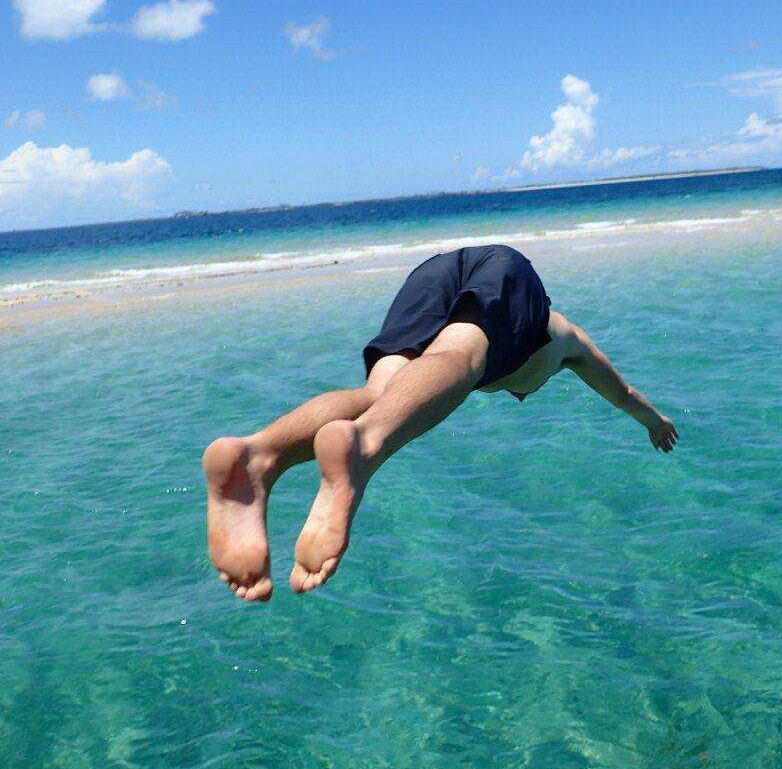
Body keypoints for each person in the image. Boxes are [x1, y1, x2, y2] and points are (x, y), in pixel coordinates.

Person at [203, 244, 678, 602]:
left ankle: (261, 454)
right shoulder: (567, 339)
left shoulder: (485, 346)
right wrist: (655, 423)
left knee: (381, 394)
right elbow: (623, 393)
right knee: (463, 357)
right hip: (506, 269)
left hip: (432, 272)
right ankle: (365, 446)